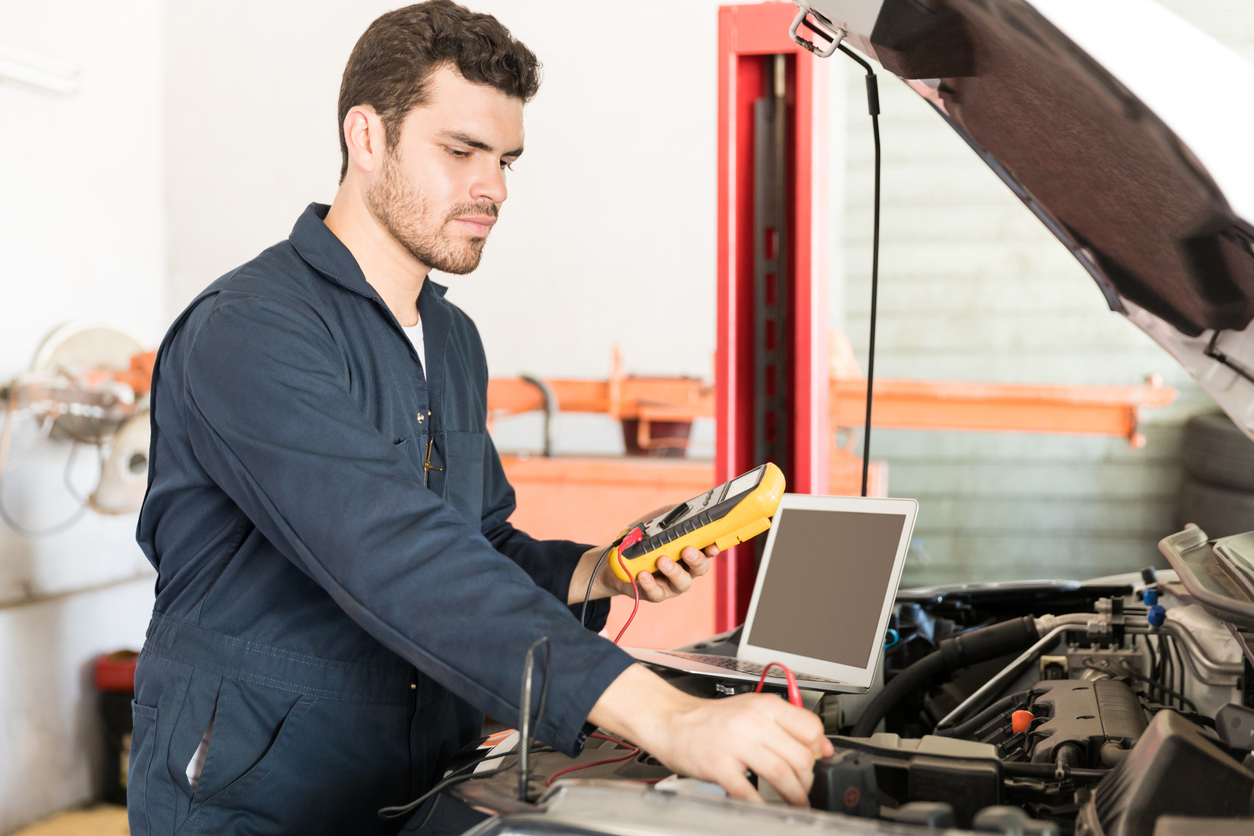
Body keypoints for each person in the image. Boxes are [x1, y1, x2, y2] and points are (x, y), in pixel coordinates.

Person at [130, 3, 831, 834]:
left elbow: (475, 540)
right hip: (256, 802)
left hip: (427, 784)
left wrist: (600, 570)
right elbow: (394, 552)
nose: (492, 187)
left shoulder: (452, 338)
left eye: (506, 159)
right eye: (460, 151)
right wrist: (661, 713)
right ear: (366, 137)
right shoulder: (250, 331)